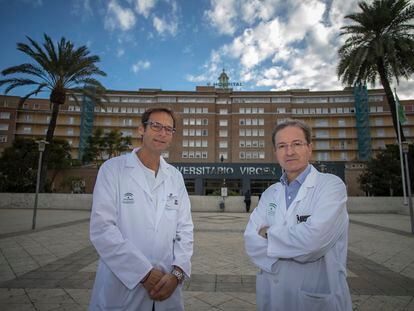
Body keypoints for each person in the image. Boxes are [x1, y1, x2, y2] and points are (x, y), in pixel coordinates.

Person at [89, 108, 194, 311]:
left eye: (169, 129)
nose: (162, 133)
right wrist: (143, 273)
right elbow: (102, 229)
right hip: (123, 290)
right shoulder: (113, 170)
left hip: (167, 285)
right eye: (156, 126)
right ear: (141, 129)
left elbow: (185, 230)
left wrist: (178, 273)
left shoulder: (175, 176)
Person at [244, 119, 352, 311]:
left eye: (296, 144)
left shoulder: (331, 186)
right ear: (275, 152)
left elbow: (313, 243)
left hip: (316, 298)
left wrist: (269, 235)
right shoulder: (270, 193)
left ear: (309, 148)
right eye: (282, 146)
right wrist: (291, 243)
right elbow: (251, 240)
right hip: (272, 295)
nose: (289, 152)